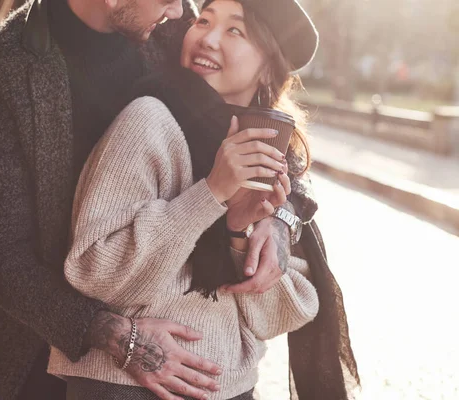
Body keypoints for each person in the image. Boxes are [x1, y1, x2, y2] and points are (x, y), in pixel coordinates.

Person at [0, 0, 324, 399]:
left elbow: (265, 120)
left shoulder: (174, 30)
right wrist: (117, 336)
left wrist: (279, 219)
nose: (178, 10)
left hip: (208, 361)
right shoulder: (3, 64)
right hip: (54, 349)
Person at [47, 0, 360, 399]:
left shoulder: (271, 153)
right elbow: (94, 273)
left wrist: (238, 234)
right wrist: (210, 194)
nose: (207, 38)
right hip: (122, 385)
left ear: (268, 66)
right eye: (205, 21)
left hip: (231, 387)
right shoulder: (148, 120)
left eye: (235, 31)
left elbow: (280, 315)